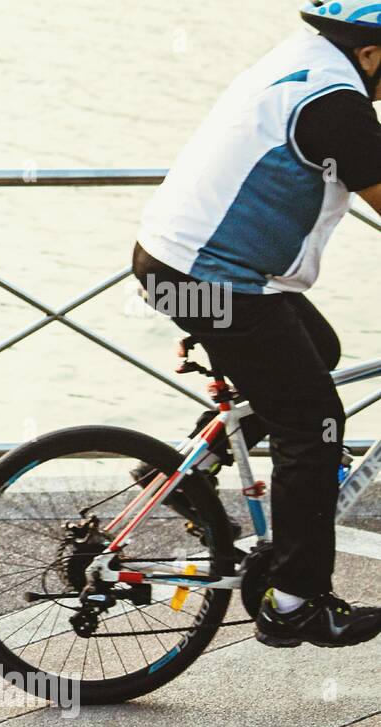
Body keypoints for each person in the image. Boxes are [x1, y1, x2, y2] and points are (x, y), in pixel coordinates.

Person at [133, 1, 381, 648]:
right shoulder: (339, 106)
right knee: (316, 423)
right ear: (374, 53)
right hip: (213, 279)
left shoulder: (303, 62)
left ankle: (188, 471)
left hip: (177, 259)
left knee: (317, 349)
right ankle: (296, 601)